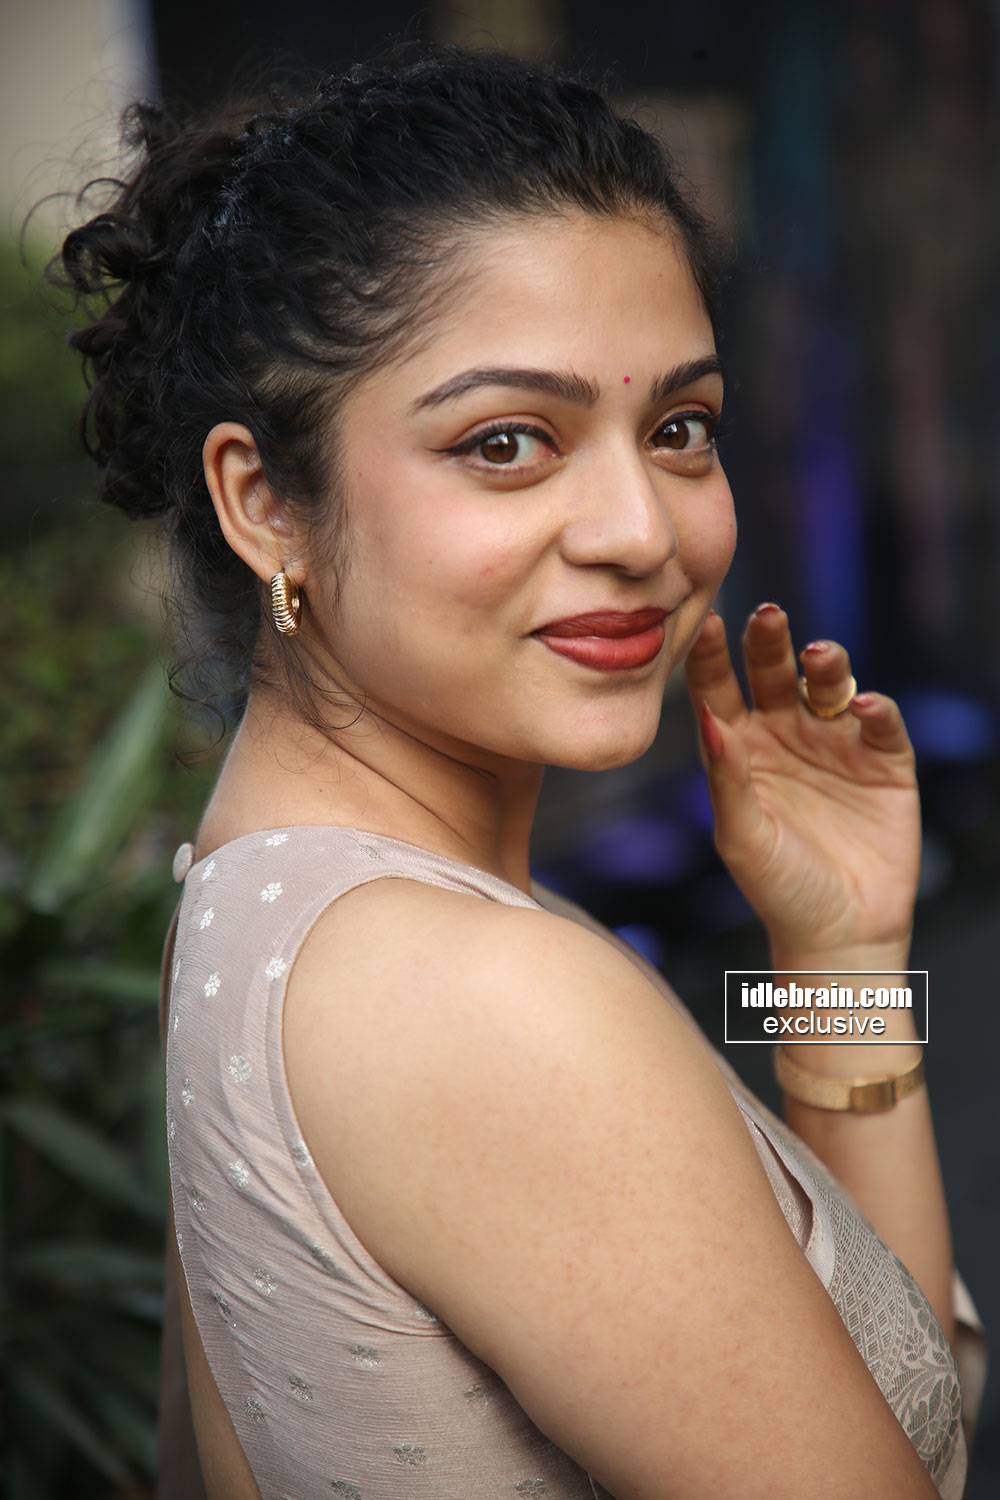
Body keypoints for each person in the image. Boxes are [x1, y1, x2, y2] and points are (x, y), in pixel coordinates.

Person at [57, 44, 985, 1500]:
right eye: (507, 443)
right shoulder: (484, 1001)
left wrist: (839, 957)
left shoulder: (257, 902)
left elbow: (883, 1399)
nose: (639, 528)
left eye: (678, 428)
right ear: (264, 501)